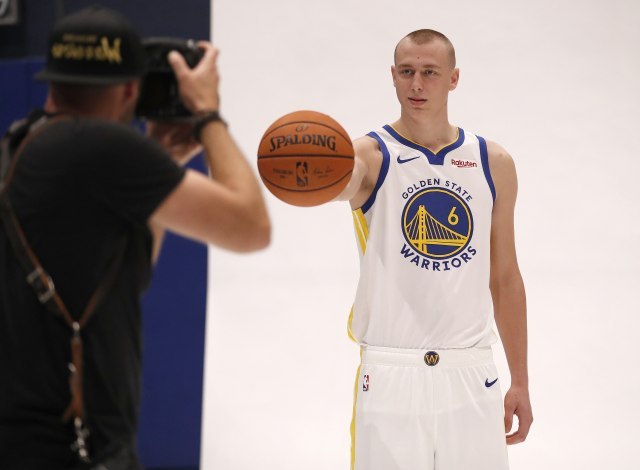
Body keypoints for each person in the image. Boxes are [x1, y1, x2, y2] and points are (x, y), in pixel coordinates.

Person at [0, 5, 270, 470]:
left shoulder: (24, 142)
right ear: (130, 89)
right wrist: (208, 115)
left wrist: (161, 157)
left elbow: (124, 277)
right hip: (73, 449)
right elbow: (251, 227)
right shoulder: (105, 148)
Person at [336, 29, 533, 470]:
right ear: (392, 75)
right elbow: (336, 184)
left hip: (471, 372)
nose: (417, 84)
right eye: (407, 72)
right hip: (391, 371)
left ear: (453, 78)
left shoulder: (492, 162)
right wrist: (313, 172)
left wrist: (520, 380)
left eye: (430, 72)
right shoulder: (368, 155)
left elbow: (505, 278)